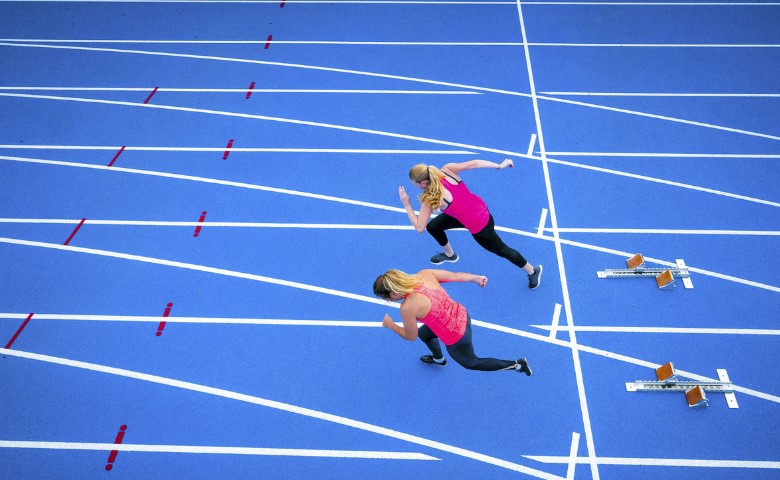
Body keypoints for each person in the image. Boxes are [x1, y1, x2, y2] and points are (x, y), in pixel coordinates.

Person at [399, 159, 542, 289]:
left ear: (424, 183)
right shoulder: (447, 170)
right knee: (434, 226)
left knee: (503, 250)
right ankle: (450, 254)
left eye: (415, 184)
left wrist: (407, 204)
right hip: (477, 210)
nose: (415, 187)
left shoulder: (429, 197)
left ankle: (533, 270)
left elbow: (419, 227)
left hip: (480, 226)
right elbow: (475, 163)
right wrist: (499, 165)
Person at [373, 268, 532, 375]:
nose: (387, 301)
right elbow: (456, 276)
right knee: (425, 334)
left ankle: (517, 364)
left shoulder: (407, 307)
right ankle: (439, 359)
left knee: (471, 363)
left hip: (456, 336)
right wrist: (476, 278)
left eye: (386, 298)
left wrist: (391, 325)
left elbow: (410, 336)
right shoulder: (424, 274)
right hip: (462, 314)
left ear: (393, 293)